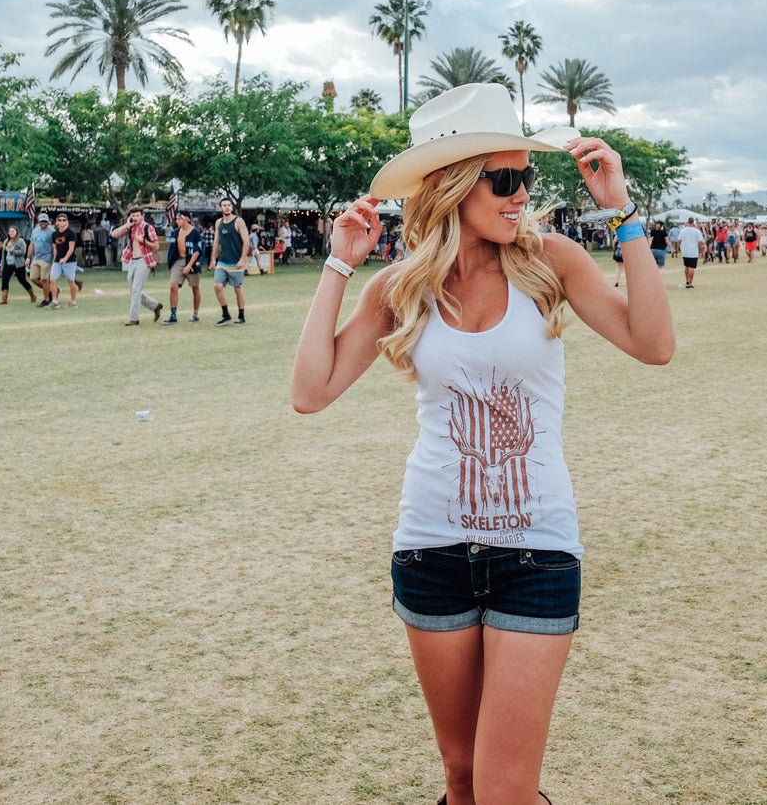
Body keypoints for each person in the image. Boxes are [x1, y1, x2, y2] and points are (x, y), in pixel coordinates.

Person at [290, 83, 673, 805]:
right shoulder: (402, 287)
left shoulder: (549, 260)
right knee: (462, 780)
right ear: (452, 186)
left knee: (504, 790)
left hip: (538, 549)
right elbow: (310, 392)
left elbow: (653, 344)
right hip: (431, 551)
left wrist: (620, 215)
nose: (521, 193)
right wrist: (340, 263)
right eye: (504, 178)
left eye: (524, 177)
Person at [110, 207, 163, 325]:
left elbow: (156, 245)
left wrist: (142, 240)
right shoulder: (131, 227)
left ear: (142, 216)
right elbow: (114, 234)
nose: (135, 218)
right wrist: (127, 224)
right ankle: (155, 306)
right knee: (134, 290)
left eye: (137, 215)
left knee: (136, 290)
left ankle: (134, 319)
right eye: (133, 216)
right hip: (132, 260)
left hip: (144, 260)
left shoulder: (148, 228)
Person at [209, 198, 250, 326]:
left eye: (228, 205)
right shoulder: (218, 223)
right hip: (223, 262)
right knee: (217, 285)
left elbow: (246, 242)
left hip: (236, 262)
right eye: (224, 205)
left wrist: (243, 259)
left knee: (237, 289)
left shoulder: (239, 222)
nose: (226, 207)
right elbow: (216, 241)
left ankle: (241, 315)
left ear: (232, 208)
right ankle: (225, 314)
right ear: (220, 208)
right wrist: (213, 258)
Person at [163, 211, 203, 323]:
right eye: (176, 219)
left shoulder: (195, 232)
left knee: (195, 288)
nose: (177, 221)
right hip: (179, 260)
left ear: (186, 219)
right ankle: (173, 314)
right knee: (173, 286)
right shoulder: (176, 232)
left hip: (192, 261)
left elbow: (197, 250)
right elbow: (172, 246)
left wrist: (189, 265)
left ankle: (195, 314)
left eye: (179, 219)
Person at [48, 214, 81, 309]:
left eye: (64, 220)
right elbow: (55, 248)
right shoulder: (54, 234)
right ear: (57, 222)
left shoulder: (71, 233)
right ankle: (54, 301)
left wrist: (65, 259)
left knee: (71, 280)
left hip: (70, 261)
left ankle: (73, 301)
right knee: (52, 280)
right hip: (57, 261)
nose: (61, 222)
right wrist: (54, 260)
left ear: (67, 222)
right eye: (60, 220)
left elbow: (71, 248)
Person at [0, 225, 34, 304]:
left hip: (18, 264)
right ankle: (4, 299)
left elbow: (23, 252)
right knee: (5, 280)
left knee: (22, 280)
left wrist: (13, 251)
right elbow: (4, 254)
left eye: (13, 231)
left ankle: (32, 295)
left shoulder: (20, 241)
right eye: (10, 231)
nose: (11, 233)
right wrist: (3, 264)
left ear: (16, 232)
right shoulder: (6, 241)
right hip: (8, 264)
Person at [28, 213, 55, 307]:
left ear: (47, 222)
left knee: (44, 279)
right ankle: (52, 290)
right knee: (33, 278)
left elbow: (54, 246)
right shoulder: (35, 231)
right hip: (36, 257)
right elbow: (32, 244)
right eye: (41, 221)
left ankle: (46, 299)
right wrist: (28, 257)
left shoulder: (52, 231)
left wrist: (54, 259)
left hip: (47, 257)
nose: (43, 223)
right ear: (38, 221)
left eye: (45, 221)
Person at [678, 217, 705, 288]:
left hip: (685, 250)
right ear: (693, 223)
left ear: (687, 222)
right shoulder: (696, 231)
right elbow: (700, 241)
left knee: (686, 266)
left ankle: (687, 280)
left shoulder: (683, 230)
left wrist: (679, 247)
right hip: (693, 251)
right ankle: (690, 283)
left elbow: (679, 240)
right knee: (691, 267)